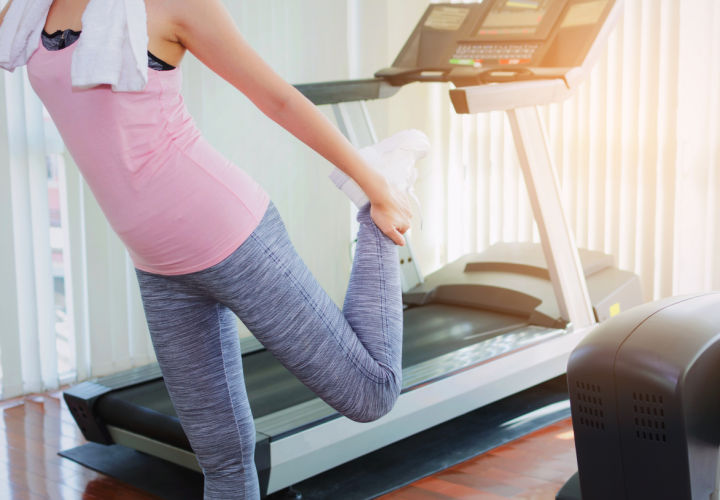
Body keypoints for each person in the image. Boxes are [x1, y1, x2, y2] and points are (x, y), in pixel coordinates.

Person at [1, 0, 429, 498]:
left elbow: (278, 100)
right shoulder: (30, 7)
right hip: (157, 266)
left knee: (371, 393)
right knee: (222, 460)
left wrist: (373, 184)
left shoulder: (172, 5)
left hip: (231, 234)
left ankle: (377, 192)